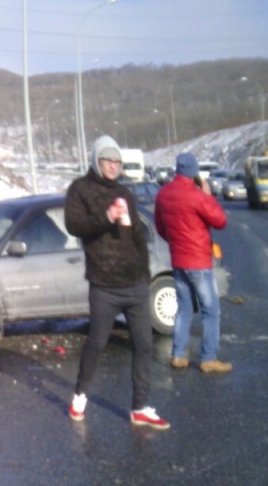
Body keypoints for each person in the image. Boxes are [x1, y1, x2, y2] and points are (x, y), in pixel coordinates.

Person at [64, 135, 169, 429]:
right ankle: (80, 396)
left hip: (134, 283)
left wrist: (144, 270)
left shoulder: (125, 191)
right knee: (97, 343)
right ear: (97, 161)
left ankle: (139, 407)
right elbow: (75, 226)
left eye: (117, 161)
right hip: (104, 285)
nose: (113, 166)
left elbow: (137, 234)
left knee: (144, 345)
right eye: (108, 160)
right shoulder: (80, 190)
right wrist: (107, 215)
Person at [154, 152, 231, 373]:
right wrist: (208, 195)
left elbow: (160, 227)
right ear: (194, 172)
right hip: (198, 261)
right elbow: (220, 220)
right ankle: (208, 358)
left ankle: (178, 355)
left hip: (178, 259)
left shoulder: (163, 194)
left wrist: (176, 243)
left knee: (184, 308)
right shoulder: (196, 196)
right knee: (211, 310)